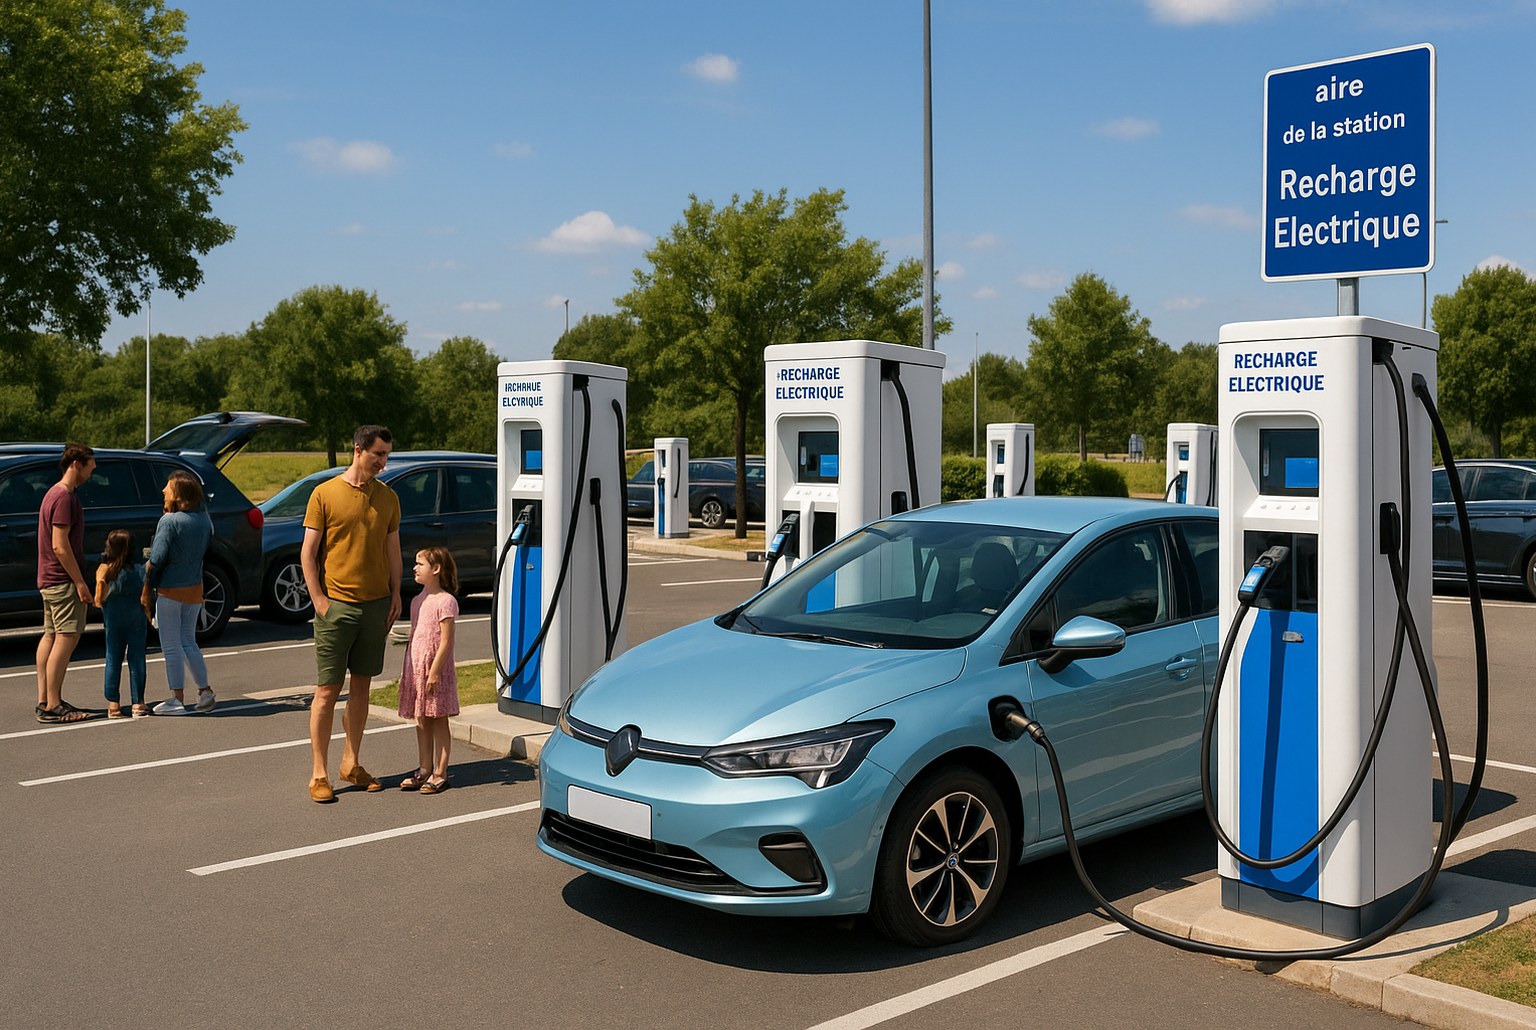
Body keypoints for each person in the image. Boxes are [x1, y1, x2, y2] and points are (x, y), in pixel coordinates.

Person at [303, 425, 401, 803]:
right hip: (336, 608)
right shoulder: (324, 494)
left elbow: (393, 548)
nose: (383, 462)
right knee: (327, 691)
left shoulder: (388, 498)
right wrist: (319, 601)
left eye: (387, 455)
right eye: (378, 454)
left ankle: (352, 762)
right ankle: (319, 773)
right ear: (358, 449)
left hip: (376, 606)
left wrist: (395, 593)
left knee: (362, 688)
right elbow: (307, 554)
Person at [143, 470, 216, 716]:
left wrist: (146, 577)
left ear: (179, 494)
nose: (164, 490)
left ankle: (176, 698)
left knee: (171, 645)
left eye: (168, 487)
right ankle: (205, 691)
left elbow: (157, 557)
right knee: (189, 641)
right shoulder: (204, 520)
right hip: (194, 588)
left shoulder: (170, 521)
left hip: (170, 590)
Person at [36, 443, 98, 723]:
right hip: (62, 581)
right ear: (76, 463)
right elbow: (60, 546)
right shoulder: (64, 498)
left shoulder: (52, 493)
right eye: (90, 466)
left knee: (50, 635)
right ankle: (53, 705)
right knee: (66, 636)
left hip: (48, 579)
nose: (92, 472)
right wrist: (80, 582)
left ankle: (46, 699)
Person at [397, 547, 460, 795]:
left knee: (438, 718)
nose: (415, 568)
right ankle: (424, 767)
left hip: (436, 669)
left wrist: (434, 672)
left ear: (436, 569)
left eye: (420, 563)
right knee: (421, 718)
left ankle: (441, 772)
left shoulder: (446, 601)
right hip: (416, 668)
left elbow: (446, 641)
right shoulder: (416, 601)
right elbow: (414, 635)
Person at [96, 529, 149, 718]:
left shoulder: (105, 570)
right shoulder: (141, 569)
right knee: (137, 659)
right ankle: (138, 702)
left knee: (113, 658)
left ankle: (113, 704)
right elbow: (146, 598)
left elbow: (99, 599)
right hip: (136, 618)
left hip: (113, 619)